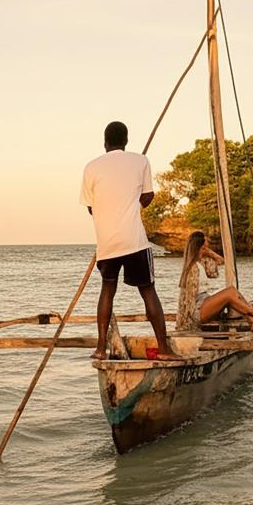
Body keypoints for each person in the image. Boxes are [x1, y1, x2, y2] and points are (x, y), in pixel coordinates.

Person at [80, 121, 182, 361]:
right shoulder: (140, 161)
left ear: (105, 143)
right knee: (148, 291)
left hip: (107, 243)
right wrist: (133, 201)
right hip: (134, 241)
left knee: (107, 290)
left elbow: (91, 209)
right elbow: (147, 196)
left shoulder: (91, 167)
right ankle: (164, 349)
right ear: (126, 141)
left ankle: (101, 348)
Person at [177, 231, 253, 330]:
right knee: (230, 292)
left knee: (233, 291)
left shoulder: (202, 262)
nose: (207, 247)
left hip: (204, 302)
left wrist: (209, 252)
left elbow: (220, 261)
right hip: (197, 310)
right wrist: (185, 321)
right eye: (205, 246)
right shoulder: (192, 268)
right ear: (200, 247)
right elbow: (187, 299)